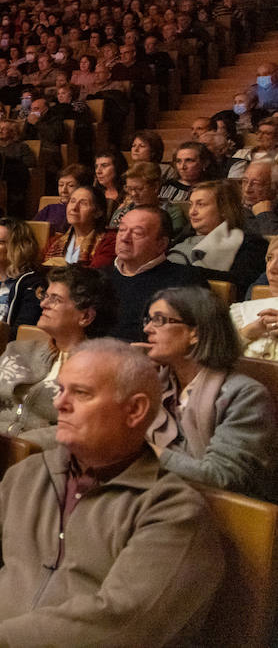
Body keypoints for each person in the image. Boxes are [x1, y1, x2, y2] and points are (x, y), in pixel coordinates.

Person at [0, 340, 223, 648]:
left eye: (81, 393)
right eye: (61, 389)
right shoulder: (29, 473)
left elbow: (122, 625)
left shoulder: (173, 509)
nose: (59, 403)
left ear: (135, 410)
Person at [140, 286, 274, 498]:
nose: (148, 329)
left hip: (220, 517)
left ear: (196, 333)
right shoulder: (156, 384)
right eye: (148, 320)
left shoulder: (245, 395)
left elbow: (221, 477)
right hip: (160, 498)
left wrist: (138, 452)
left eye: (159, 320)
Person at [0, 264, 114, 442]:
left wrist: (18, 445)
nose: (43, 304)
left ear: (85, 317)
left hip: (36, 457)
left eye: (56, 299)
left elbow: (79, 431)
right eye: (46, 296)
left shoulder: (98, 372)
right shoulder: (17, 350)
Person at [102, 206, 208, 342]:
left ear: (161, 244)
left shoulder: (185, 281)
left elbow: (198, 338)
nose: (124, 238)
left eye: (137, 233)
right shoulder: (101, 276)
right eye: (122, 230)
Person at [168, 179, 268, 291]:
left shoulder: (250, 244)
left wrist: (181, 271)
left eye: (200, 204)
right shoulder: (182, 237)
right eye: (191, 204)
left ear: (224, 209)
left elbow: (240, 282)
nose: (192, 212)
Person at [42, 185, 116, 269]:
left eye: (83, 203)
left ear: (98, 212)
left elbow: (96, 274)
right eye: (72, 201)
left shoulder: (108, 242)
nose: (74, 208)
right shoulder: (54, 242)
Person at [231, 236, 278, 360]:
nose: (272, 268)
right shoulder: (242, 311)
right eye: (269, 258)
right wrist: (246, 333)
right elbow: (211, 360)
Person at [33, 164, 90, 235]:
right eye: (61, 185)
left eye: (70, 185)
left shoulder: (83, 211)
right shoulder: (50, 209)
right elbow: (33, 229)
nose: (63, 190)